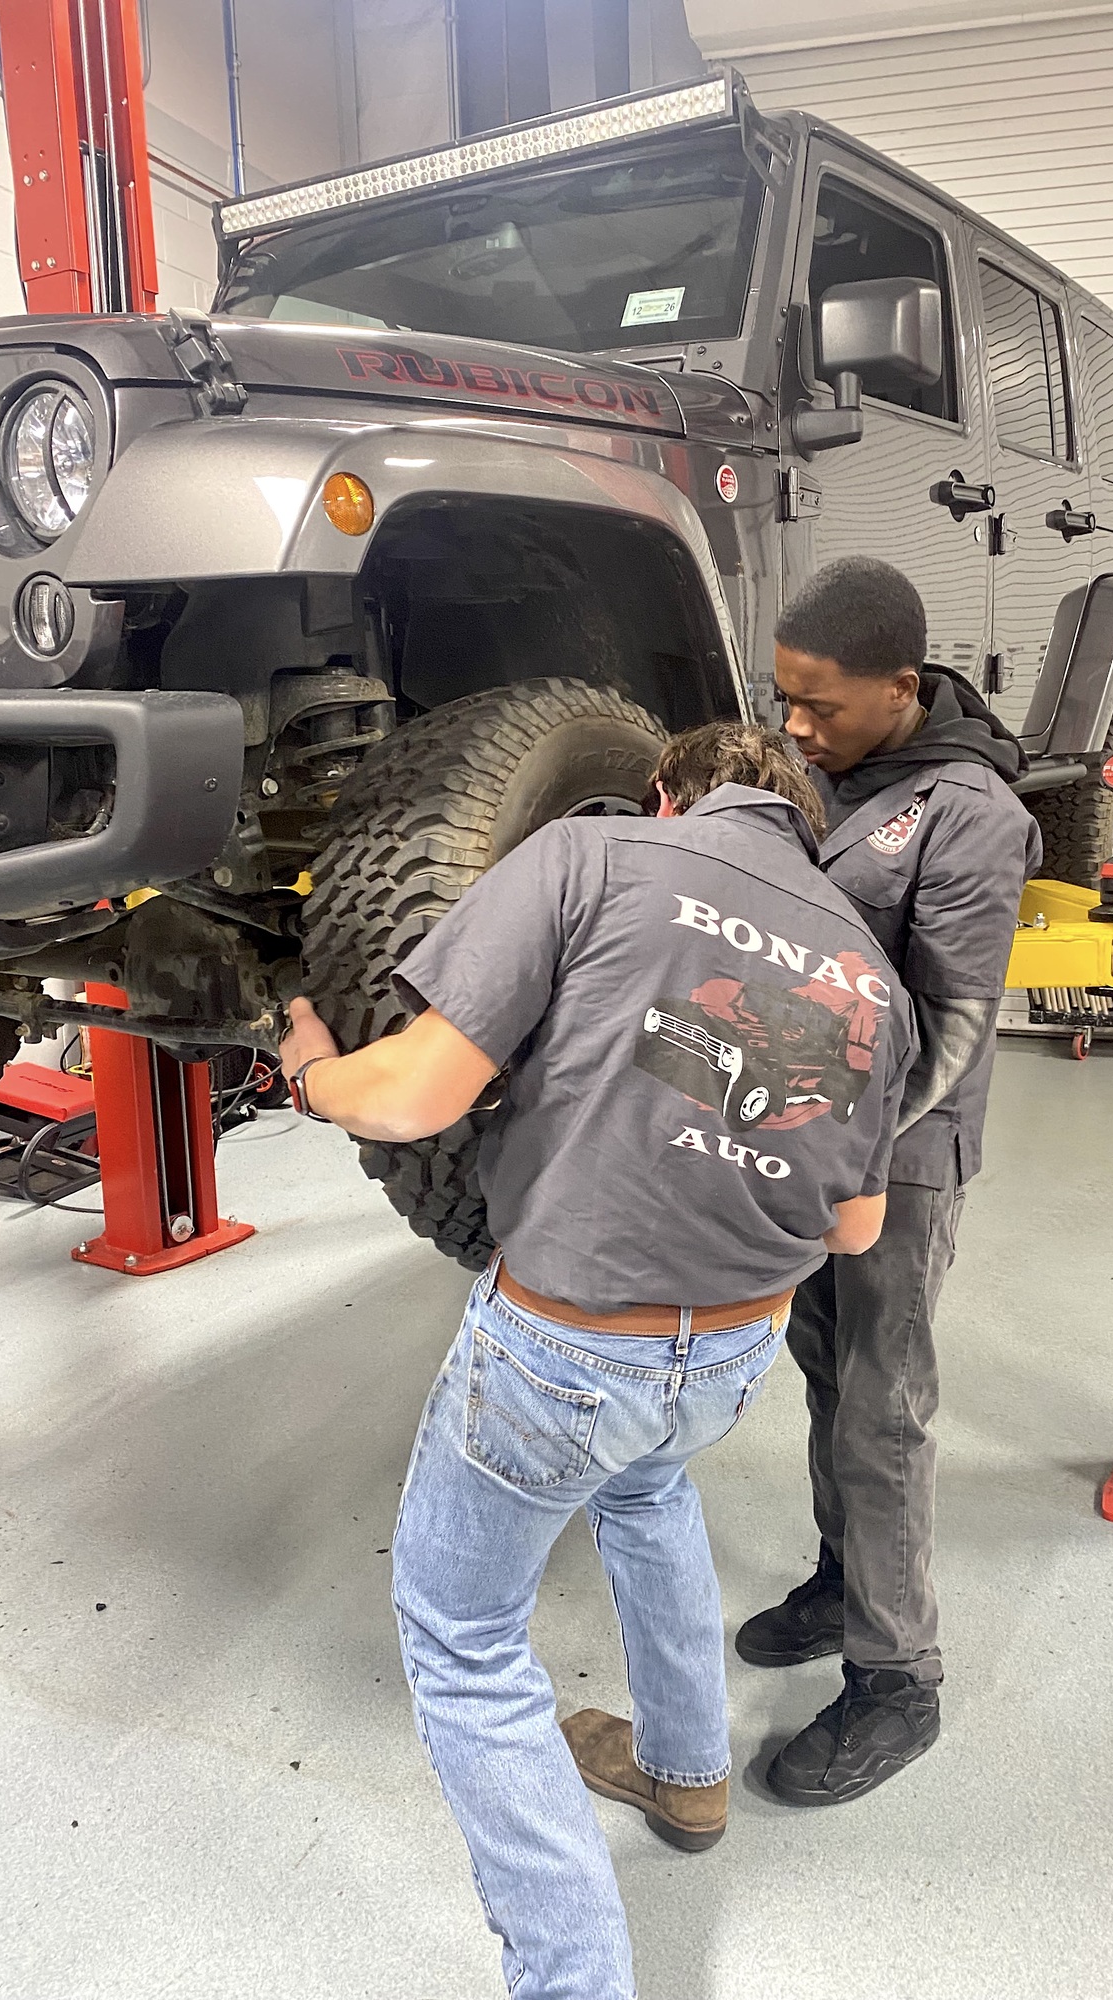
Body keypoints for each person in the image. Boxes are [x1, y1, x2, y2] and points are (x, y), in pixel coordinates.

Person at [278, 721, 914, 2000]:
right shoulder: (866, 969)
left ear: (669, 792)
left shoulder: (599, 856)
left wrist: (311, 1072)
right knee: (644, 1489)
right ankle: (689, 1778)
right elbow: (859, 1223)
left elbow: (408, 1098)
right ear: (796, 820)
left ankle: (574, 1980)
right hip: (732, 1349)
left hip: (568, 1347)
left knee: (460, 1640)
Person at [736, 556, 1041, 1808]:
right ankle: (838, 1574)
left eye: (822, 705)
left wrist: (852, 1153)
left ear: (903, 686)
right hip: (807, 1135)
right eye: (783, 699)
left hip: (896, 1162)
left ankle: (897, 1675)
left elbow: (959, 1023)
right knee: (823, 1368)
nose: (795, 727)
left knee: (886, 1404)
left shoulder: (970, 813)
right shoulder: (821, 768)